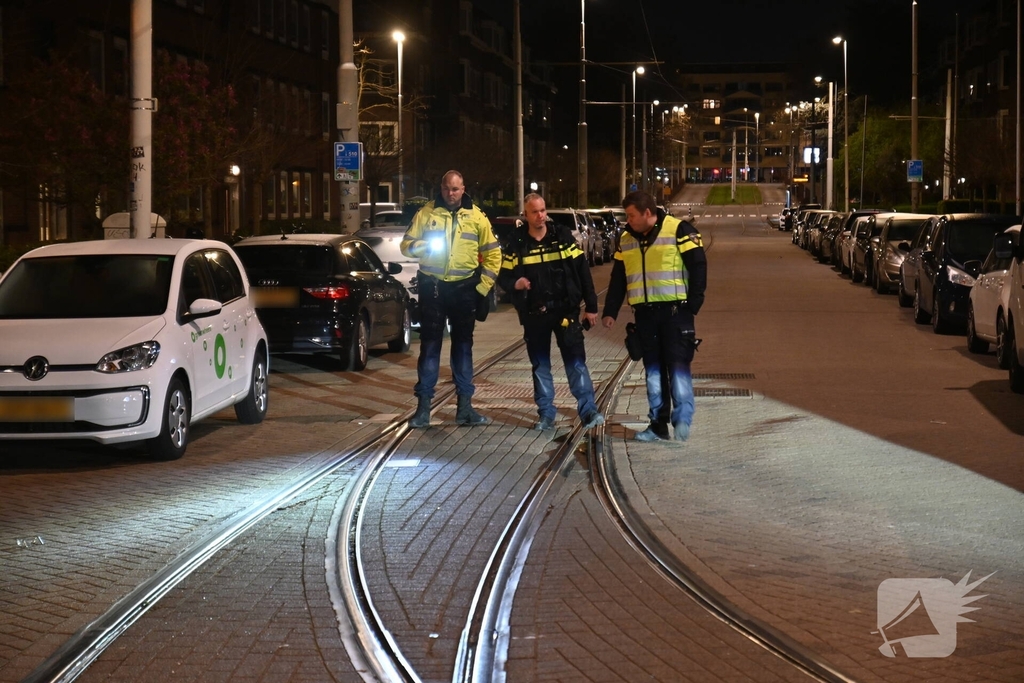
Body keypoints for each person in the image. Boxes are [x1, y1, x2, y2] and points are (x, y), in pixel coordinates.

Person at [602, 190, 707, 442]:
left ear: (647, 213)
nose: (628, 221)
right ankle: (657, 424)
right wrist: (610, 311)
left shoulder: (679, 230)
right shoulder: (626, 239)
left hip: (676, 314)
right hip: (645, 316)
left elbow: (698, 266)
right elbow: (618, 279)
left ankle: (682, 418)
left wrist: (693, 304)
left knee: (678, 367)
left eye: (631, 215)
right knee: (653, 372)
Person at [401, 170, 502, 428]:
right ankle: (423, 409)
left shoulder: (477, 216)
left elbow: (493, 254)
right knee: (430, 347)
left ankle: (464, 408)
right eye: (447, 188)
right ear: (441, 188)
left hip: (464, 289)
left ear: (463, 188)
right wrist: (425, 246)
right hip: (432, 288)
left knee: (463, 347)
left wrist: (482, 289)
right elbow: (406, 245)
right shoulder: (427, 213)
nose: (451, 193)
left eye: (455, 189)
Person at [497, 194, 604, 432]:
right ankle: (546, 414)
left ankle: (588, 411)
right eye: (534, 212)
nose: (541, 216)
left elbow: (583, 272)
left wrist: (592, 306)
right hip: (535, 315)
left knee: (576, 363)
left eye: (543, 210)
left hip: (565, 310)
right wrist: (516, 284)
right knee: (540, 365)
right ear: (525, 215)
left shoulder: (562, 237)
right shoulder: (516, 243)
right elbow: (503, 277)